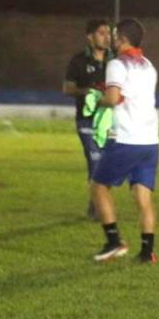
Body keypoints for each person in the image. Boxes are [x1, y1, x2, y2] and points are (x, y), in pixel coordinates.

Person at [91, 18, 159, 264]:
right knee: (143, 196)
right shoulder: (149, 65)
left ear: (121, 38)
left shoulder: (117, 65)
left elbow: (112, 98)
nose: (111, 38)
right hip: (150, 141)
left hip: (126, 138)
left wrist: (95, 99)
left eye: (114, 34)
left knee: (98, 186)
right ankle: (147, 251)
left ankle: (114, 242)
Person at [63, 19, 112, 218]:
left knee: (107, 163)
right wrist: (90, 92)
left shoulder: (115, 60)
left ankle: (96, 203)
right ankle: (97, 207)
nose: (106, 37)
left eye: (109, 33)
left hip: (109, 121)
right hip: (87, 120)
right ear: (90, 36)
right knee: (96, 160)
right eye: (101, 33)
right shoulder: (78, 61)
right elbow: (68, 89)